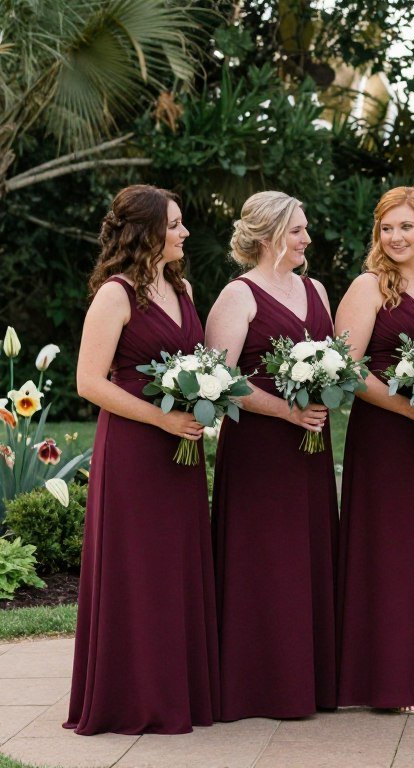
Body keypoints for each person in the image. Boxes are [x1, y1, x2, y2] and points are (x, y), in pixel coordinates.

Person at [66, 185, 219, 734]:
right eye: (174, 224)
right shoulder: (116, 293)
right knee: (139, 568)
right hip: (136, 446)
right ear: (148, 232)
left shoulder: (183, 287)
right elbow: (87, 382)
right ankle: (132, 699)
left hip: (182, 447)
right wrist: (161, 420)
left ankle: (177, 693)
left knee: (174, 566)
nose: (183, 232)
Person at [333, 186, 414, 713]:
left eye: (406, 227)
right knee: (391, 551)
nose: (395, 237)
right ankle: (393, 677)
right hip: (387, 436)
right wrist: (407, 408)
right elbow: (345, 366)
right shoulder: (369, 288)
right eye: (387, 228)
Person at [205, 191, 337, 720]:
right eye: (298, 230)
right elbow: (218, 378)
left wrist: (329, 389)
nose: (307, 238)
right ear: (267, 236)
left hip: (311, 444)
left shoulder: (318, 290)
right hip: (261, 448)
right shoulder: (238, 295)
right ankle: (257, 685)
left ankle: (310, 681)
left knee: (306, 552)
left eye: (306, 229)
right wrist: (284, 411)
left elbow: (335, 359)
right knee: (265, 559)